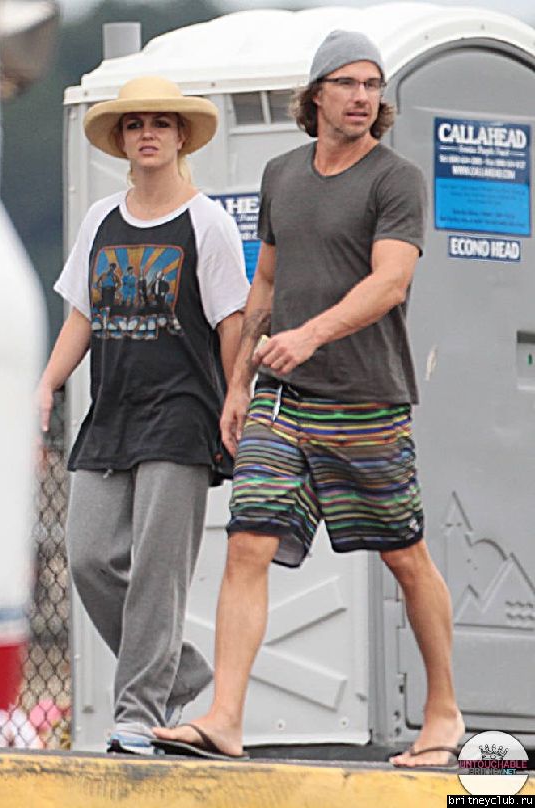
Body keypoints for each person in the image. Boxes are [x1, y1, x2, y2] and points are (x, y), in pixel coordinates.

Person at [154, 31, 464, 767]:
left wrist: (311, 335)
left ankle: (443, 712)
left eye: (372, 85)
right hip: (282, 401)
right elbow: (264, 284)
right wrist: (239, 384)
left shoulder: (396, 179)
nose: (363, 97)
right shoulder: (281, 174)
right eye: (348, 83)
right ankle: (225, 718)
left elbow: (391, 281)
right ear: (316, 93)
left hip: (366, 401)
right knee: (247, 543)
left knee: (405, 558)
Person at [38, 76, 249, 754]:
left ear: (181, 136)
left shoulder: (207, 223)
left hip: (182, 415)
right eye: (135, 125)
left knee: (158, 571)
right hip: (111, 413)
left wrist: (236, 398)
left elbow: (233, 323)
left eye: (160, 123)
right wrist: (48, 384)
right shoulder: (101, 219)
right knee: (90, 558)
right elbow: (82, 314)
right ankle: (178, 671)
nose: (148, 134)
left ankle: (137, 715)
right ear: (122, 140)